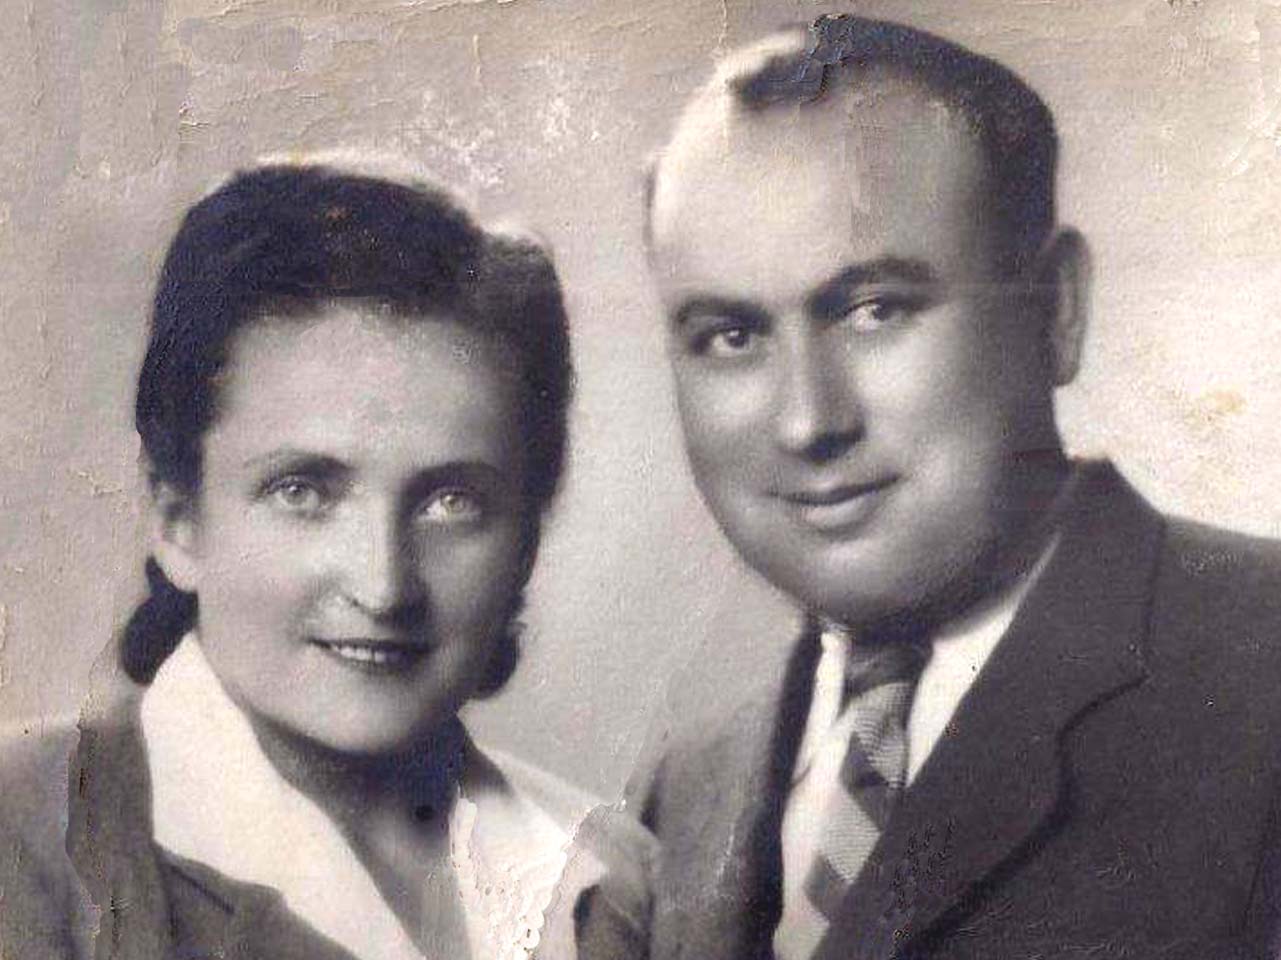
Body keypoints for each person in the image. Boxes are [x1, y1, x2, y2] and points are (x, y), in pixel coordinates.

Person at [578, 14, 1281, 960]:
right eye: (730, 336)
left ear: (1056, 311)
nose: (807, 421)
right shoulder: (683, 793)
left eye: (875, 310)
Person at [0, 158, 648, 960]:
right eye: (302, 490)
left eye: (452, 501)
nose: (383, 585)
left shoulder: (612, 880)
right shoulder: (28, 838)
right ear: (178, 519)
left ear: (529, 530)